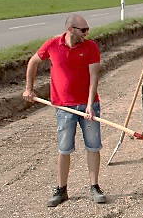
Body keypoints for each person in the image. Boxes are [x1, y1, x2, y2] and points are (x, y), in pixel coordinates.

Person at [23, 13, 107, 207]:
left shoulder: (90, 46)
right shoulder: (52, 45)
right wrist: (29, 88)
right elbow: (33, 62)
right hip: (63, 107)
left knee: (93, 146)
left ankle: (94, 187)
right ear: (70, 29)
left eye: (87, 29)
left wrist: (89, 104)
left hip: (88, 106)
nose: (86, 33)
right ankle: (61, 189)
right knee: (64, 149)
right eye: (83, 30)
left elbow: (94, 76)